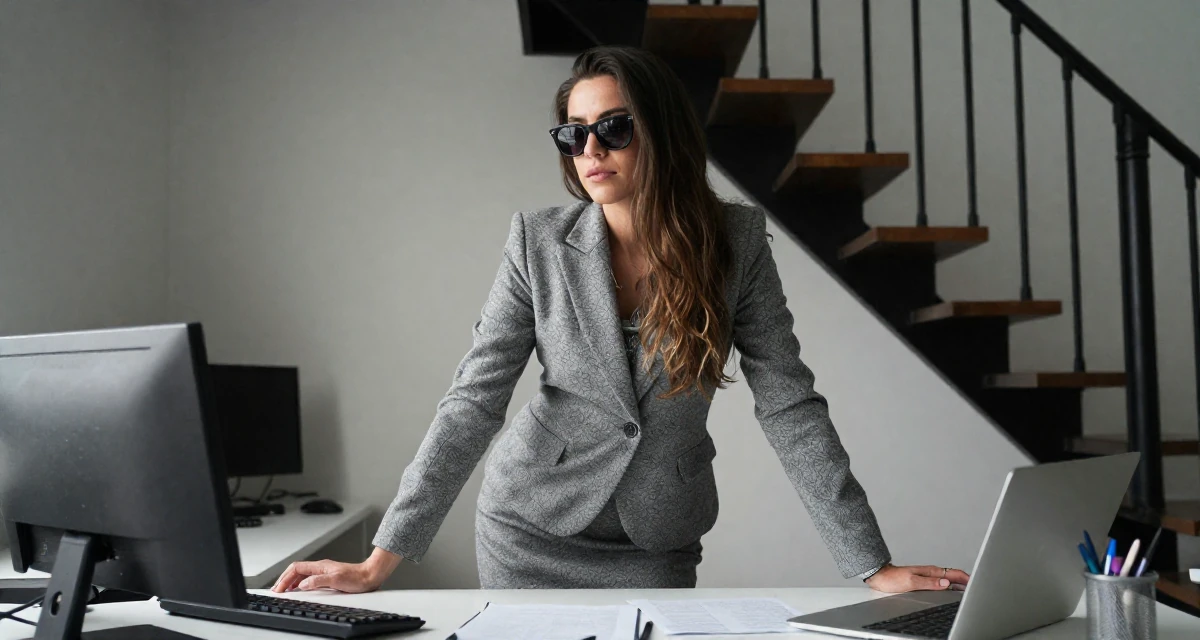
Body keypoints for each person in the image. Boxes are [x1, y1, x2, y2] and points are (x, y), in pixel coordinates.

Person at [272, 46, 970, 594]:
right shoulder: (537, 241)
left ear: (661, 131)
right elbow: (474, 401)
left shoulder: (736, 244)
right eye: (573, 133)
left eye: (614, 128)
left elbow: (789, 402)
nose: (590, 150)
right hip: (528, 530)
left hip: (655, 543)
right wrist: (379, 561)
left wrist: (869, 563)